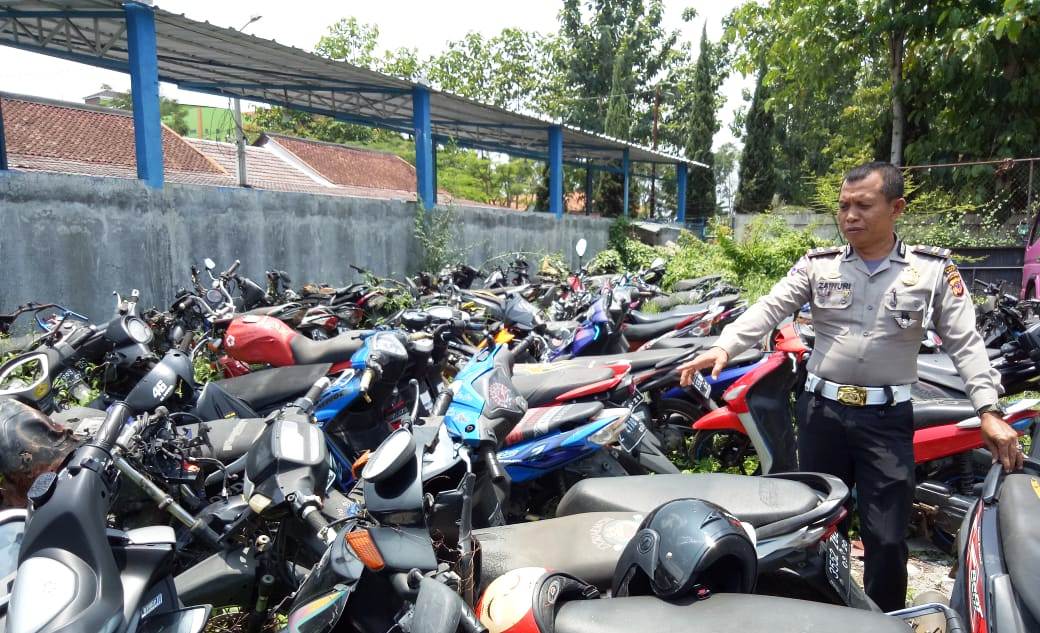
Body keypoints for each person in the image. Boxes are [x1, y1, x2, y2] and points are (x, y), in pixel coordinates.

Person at [677, 161, 1022, 612]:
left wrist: (988, 410)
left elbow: (966, 343)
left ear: (896, 207)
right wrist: (725, 348)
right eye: (843, 207)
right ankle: (823, 614)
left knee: (887, 537)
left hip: (886, 420)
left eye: (863, 205)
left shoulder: (931, 271)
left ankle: (886, 620)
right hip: (823, 415)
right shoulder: (819, 266)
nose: (850, 216)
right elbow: (769, 307)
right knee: (819, 528)